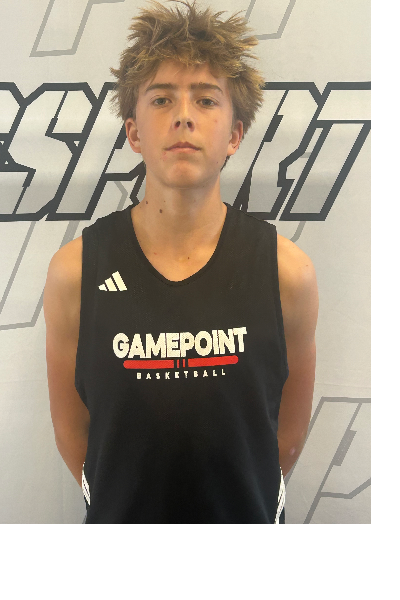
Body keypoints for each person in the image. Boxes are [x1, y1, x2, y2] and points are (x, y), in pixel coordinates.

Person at [43, 0, 319, 524]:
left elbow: (286, 435)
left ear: (234, 134)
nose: (184, 115)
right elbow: (73, 433)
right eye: (162, 98)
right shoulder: (75, 273)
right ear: (134, 133)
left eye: (206, 99)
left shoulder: (287, 273)